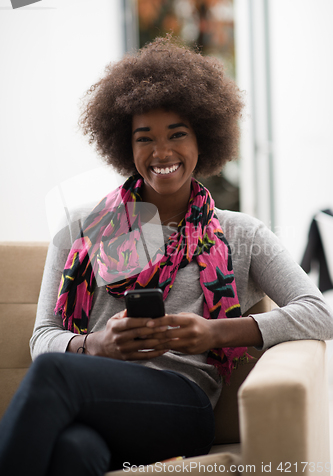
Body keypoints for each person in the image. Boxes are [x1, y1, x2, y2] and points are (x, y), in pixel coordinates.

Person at [1, 36, 333, 476]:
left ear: (204, 139)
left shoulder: (239, 232)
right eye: (145, 139)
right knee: (73, 452)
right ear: (125, 146)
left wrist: (215, 333)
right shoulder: (80, 228)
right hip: (98, 400)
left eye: (177, 134)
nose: (161, 153)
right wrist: (93, 345)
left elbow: (319, 313)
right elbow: (43, 338)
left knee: (55, 376)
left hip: (181, 406)